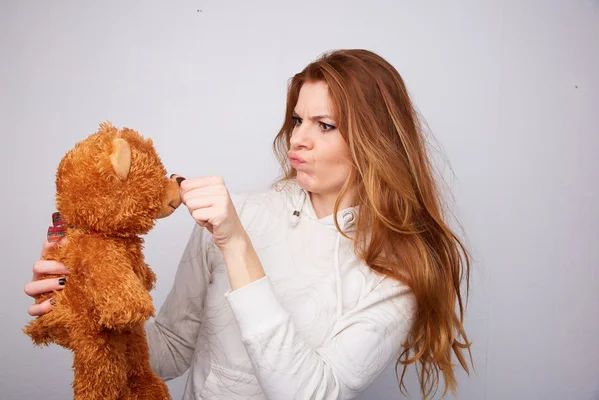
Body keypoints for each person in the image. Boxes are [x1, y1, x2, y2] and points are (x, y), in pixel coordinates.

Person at [25, 49, 472, 399]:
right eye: (298, 119)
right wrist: (83, 312)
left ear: (377, 141)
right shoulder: (237, 213)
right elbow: (169, 353)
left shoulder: (395, 275)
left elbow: (310, 394)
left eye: (325, 124)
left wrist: (237, 245)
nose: (297, 138)